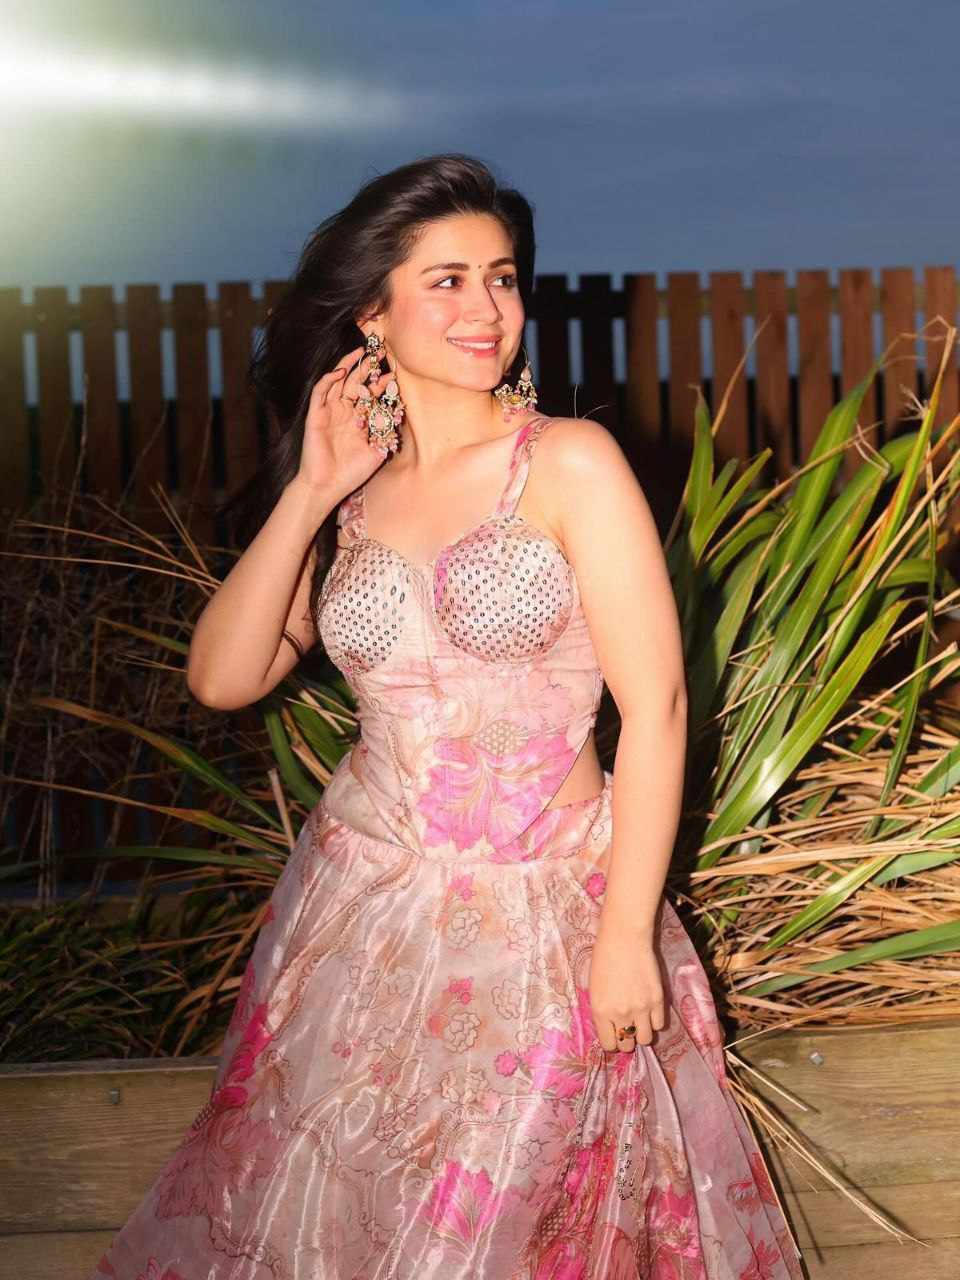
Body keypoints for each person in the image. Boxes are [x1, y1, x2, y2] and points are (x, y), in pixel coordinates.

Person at [92, 153, 804, 1279]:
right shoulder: (353, 497)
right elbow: (224, 678)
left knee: (503, 1228)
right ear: (371, 314)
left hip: (544, 919)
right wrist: (312, 488)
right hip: (359, 914)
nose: (487, 308)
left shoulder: (568, 462)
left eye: (503, 278)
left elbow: (658, 705)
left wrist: (626, 936)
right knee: (345, 1221)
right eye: (449, 280)